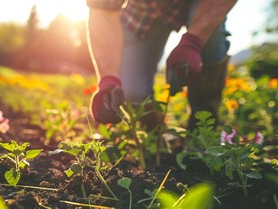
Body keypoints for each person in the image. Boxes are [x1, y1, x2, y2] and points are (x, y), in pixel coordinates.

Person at [87, 0, 238, 130]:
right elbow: (102, 10)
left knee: (213, 39)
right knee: (130, 91)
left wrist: (194, 42)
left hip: (198, 4)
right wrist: (108, 79)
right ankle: (155, 134)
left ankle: (203, 129)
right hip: (143, 11)